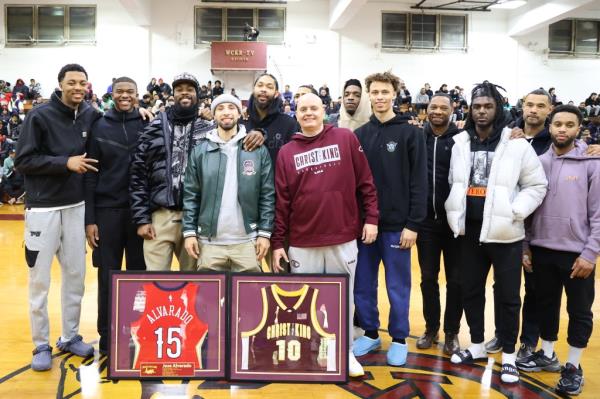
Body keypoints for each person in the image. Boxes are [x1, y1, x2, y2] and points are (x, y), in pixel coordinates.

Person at [445, 81, 547, 384]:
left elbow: (536, 185)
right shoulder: (460, 143)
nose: (481, 111)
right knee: (470, 291)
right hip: (470, 233)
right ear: (470, 109)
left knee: (508, 297)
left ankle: (510, 356)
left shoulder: (516, 143)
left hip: (505, 236)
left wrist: (515, 212)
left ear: (498, 108)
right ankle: (476, 345)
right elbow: (455, 181)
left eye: (488, 106)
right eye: (477, 106)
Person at [271, 92, 379, 378]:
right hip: (302, 241)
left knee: (343, 301)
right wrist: (277, 242)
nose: (308, 113)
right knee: (303, 301)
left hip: (342, 236)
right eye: (303, 109)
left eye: (313, 108)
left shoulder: (345, 138)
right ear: (296, 113)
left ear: (324, 111)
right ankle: (309, 352)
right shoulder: (286, 153)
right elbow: (281, 202)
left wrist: (371, 219)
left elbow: (366, 183)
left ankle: (345, 354)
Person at [15, 63, 101, 371]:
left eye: (82, 83)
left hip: (76, 206)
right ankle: (41, 343)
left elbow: (114, 122)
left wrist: (142, 114)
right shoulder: (39, 116)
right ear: (60, 84)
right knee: (40, 280)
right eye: (72, 82)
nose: (78, 87)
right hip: (42, 209)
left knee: (76, 277)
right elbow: (23, 160)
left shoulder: (90, 114)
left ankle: (70, 335)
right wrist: (65, 162)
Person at [130, 73, 263, 272]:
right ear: (171, 95)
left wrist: (261, 132)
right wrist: (141, 218)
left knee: (194, 283)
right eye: (179, 90)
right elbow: (138, 173)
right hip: (160, 216)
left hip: (197, 218)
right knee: (155, 281)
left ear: (198, 95)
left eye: (190, 89)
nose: (185, 93)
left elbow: (235, 130)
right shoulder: (154, 127)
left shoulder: (209, 129)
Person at [517, 105, 599, 396]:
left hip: (577, 254)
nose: (562, 129)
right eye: (558, 124)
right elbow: (527, 210)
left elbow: (598, 214)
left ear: (579, 129)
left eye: (569, 125)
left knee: (579, 311)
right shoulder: (537, 162)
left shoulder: (593, 163)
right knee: (545, 306)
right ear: (549, 127)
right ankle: (548, 354)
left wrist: (590, 253)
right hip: (541, 249)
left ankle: (574, 366)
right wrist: (526, 245)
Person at [352, 71, 427, 367]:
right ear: (369, 95)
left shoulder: (411, 133)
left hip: (398, 227)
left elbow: (420, 182)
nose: (380, 97)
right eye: (375, 92)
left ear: (395, 94)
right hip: (366, 227)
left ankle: (398, 338)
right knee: (363, 284)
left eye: (385, 92)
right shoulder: (359, 136)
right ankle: (371, 333)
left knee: (397, 287)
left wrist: (413, 224)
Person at [84, 76, 147, 355]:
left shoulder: (148, 123)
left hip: (139, 214)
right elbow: (89, 177)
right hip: (107, 212)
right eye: (119, 91)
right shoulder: (98, 124)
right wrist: (90, 219)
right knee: (107, 276)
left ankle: (137, 331)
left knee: (138, 277)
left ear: (137, 95)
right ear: (112, 94)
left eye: (130, 92)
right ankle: (107, 334)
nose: (125, 96)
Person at [182, 94, 274, 272]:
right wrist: (189, 232)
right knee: (210, 298)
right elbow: (191, 195)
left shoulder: (257, 150)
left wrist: (264, 233)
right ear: (214, 115)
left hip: (248, 242)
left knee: (249, 297)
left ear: (240, 113)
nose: (226, 112)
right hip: (209, 242)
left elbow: (267, 194)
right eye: (220, 108)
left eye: (232, 108)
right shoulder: (200, 151)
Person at [415, 93, 462, 355]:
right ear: (427, 109)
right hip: (425, 224)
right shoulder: (417, 137)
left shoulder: (461, 140)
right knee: (428, 279)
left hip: (454, 224)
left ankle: (452, 332)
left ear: (452, 110)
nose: (437, 111)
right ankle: (431, 328)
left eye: (443, 107)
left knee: (456, 281)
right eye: (433, 106)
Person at [242, 73, 299, 162]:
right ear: (253, 90)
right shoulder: (241, 121)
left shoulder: (289, 124)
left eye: (269, 87)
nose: (263, 89)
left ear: (276, 94)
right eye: (260, 85)